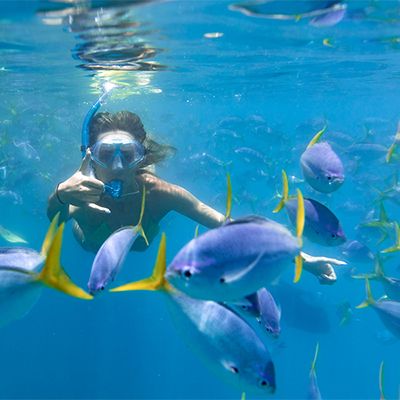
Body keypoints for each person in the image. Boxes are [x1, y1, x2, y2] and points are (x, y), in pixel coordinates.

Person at [47, 110, 225, 252]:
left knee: (146, 177)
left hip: (142, 183)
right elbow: (57, 220)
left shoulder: (159, 193)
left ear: (140, 158)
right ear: (93, 157)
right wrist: (60, 194)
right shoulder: (84, 197)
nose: (117, 167)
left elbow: (212, 216)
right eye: (106, 154)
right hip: (91, 246)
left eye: (128, 155)